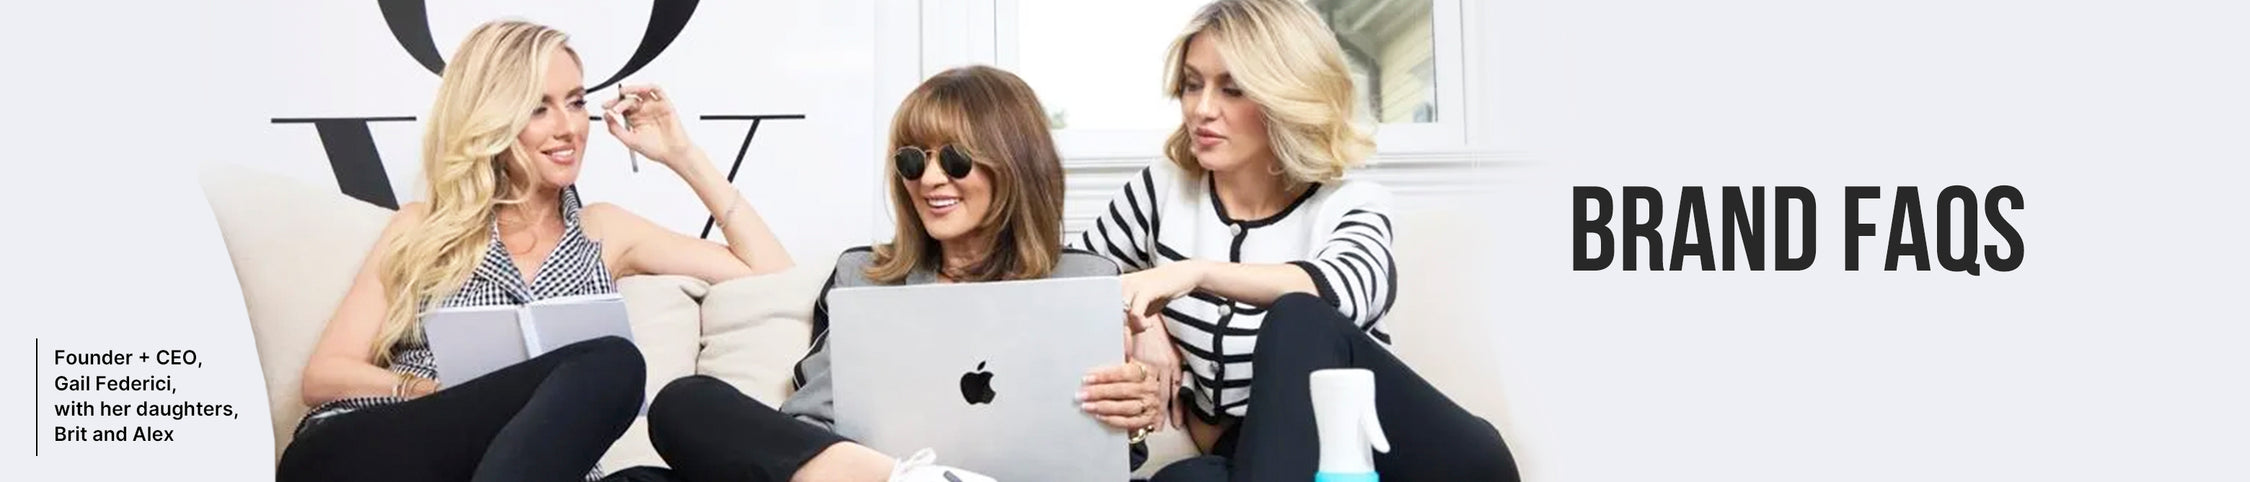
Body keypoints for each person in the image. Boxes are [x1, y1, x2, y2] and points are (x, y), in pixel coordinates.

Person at [276, 20, 794, 481]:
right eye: (538, 109)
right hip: (372, 451)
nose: (568, 127)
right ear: (492, 120)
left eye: (575, 101)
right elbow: (324, 375)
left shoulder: (604, 231)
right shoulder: (421, 227)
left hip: (519, 466)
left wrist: (682, 155)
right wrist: (440, 394)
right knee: (613, 362)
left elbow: (769, 271)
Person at [637, 65, 1168, 482]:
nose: (931, 179)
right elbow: (809, 424)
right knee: (682, 407)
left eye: (956, 160)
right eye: (914, 161)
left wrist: (1131, 417)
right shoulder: (864, 275)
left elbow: (1102, 456)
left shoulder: (1083, 281)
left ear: (1013, 164)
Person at [1068, 1, 1522, 480]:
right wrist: (1147, 324)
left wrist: (1191, 274)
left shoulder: (1351, 203)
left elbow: (1345, 290)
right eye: (1191, 84)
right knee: (1183, 479)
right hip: (1272, 461)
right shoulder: (1163, 191)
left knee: (1300, 316)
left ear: (1285, 95)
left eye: (1233, 89)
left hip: (1411, 458)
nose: (1202, 109)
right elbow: (1071, 272)